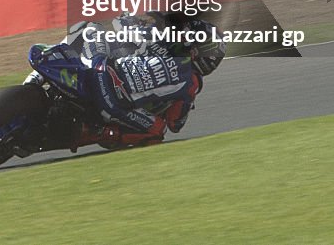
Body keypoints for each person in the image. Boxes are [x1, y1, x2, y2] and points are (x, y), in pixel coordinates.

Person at [26, 11, 226, 148]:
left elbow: (119, 23)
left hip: (100, 68)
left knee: (89, 27)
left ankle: (36, 77)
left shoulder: (160, 38)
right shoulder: (190, 81)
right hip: (113, 101)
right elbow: (175, 124)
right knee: (158, 130)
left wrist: (132, 20)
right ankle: (96, 132)